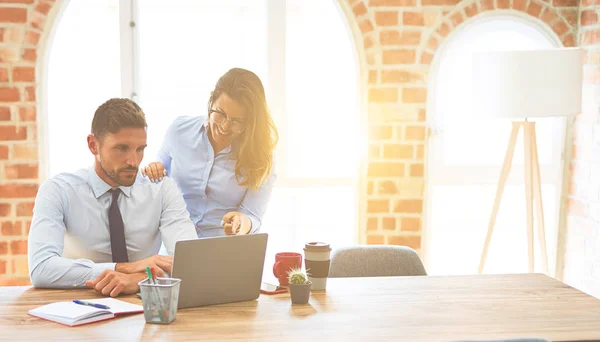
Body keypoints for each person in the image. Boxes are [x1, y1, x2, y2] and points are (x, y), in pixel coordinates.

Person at [28, 98, 197, 297]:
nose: (133, 161)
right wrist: (123, 268)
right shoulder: (58, 190)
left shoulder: (161, 189)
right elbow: (41, 268)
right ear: (93, 145)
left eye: (140, 149)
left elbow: (189, 262)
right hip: (77, 306)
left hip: (146, 307)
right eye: (121, 148)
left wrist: (142, 278)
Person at [142, 68, 278, 238]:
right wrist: (154, 169)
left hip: (223, 248)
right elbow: (158, 175)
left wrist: (240, 223)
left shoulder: (261, 157)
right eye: (220, 113)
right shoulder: (179, 131)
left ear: (251, 122)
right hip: (174, 241)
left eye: (236, 121)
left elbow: (253, 215)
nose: (225, 126)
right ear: (211, 102)